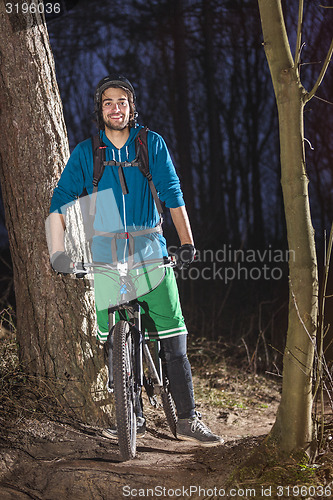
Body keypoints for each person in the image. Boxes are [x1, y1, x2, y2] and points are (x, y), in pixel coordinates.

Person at [48, 75, 223, 446]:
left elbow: (172, 192)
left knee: (174, 336)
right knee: (115, 339)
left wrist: (187, 242)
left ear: (132, 107)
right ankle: (134, 417)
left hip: (150, 249)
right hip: (107, 254)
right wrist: (58, 251)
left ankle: (189, 419)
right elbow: (61, 199)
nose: (116, 108)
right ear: (100, 108)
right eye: (109, 102)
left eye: (122, 102)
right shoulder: (87, 152)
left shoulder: (150, 144)